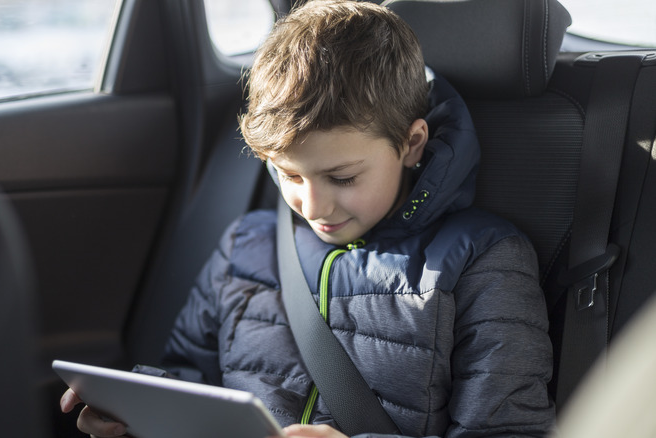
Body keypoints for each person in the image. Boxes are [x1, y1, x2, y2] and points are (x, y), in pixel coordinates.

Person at [60, 1, 556, 437]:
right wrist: (139, 415)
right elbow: (192, 379)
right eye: (288, 175)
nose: (313, 207)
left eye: (341, 178)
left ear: (412, 144)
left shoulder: (482, 261)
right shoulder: (246, 246)